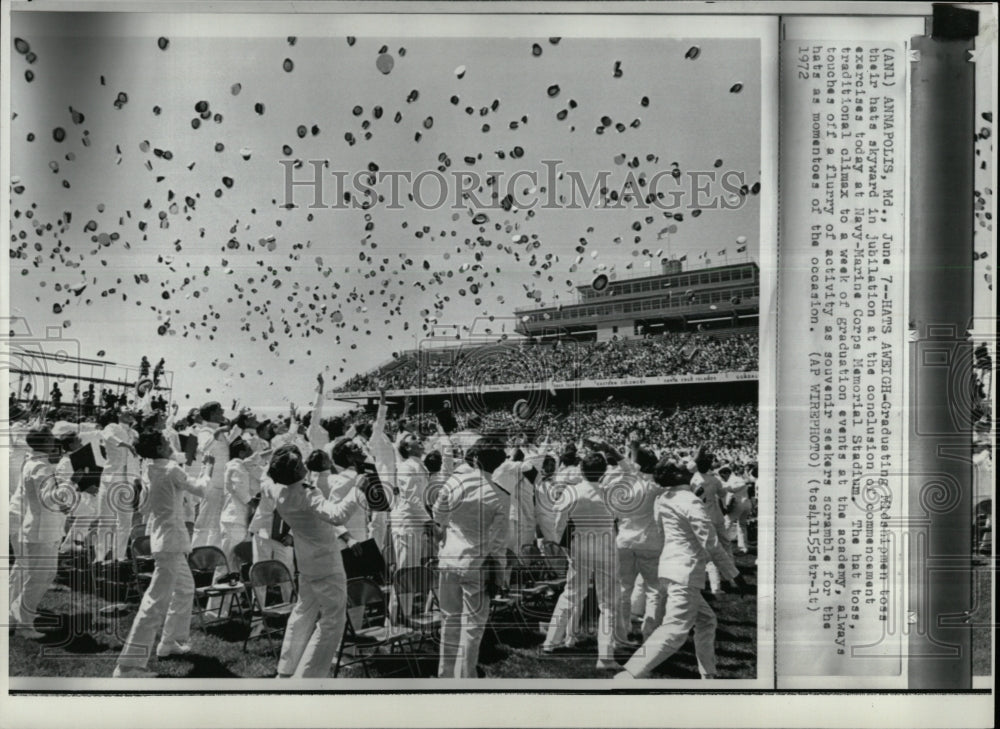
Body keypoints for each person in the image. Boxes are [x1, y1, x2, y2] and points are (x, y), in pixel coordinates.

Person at [615, 460, 742, 680]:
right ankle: (629, 674)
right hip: (685, 571)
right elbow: (710, 542)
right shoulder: (690, 501)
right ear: (677, 477)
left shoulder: (664, 498)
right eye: (680, 467)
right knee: (675, 629)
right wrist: (733, 574)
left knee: (706, 620)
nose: (686, 467)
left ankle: (709, 673)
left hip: (669, 568)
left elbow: (666, 531)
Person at [113, 431, 213, 677]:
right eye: (166, 442)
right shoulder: (169, 469)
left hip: (167, 542)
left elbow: (146, 505)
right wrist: (208, 468)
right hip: (170, 543)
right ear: (159, 448)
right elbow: (201, 490)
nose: (170, 444)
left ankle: (169, 642)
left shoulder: (151, 468)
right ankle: (128, 666)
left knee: (186, 588)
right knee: (153, 605)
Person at [269, 444, 361, 678]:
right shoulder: (307, 493)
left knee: (303, 612)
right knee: (332, 621)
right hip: (326, 565)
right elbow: (337, 515)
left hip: (307, 563)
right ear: (295, 472)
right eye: (299, 464)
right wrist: (357, 490)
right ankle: (308, 676)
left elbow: (271, 475)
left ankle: (287, 669)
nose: (304, 464)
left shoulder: (280, 492)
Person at [432, 436, 510, 678]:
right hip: (475, 563)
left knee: (450, 622)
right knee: (473, 627)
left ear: (475, 459)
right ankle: (464, 679)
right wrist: (500, 575)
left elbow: (438, 516)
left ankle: (447, 676)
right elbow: (498, 543)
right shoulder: (501, 496)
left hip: (448, 559)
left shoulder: (455, 482)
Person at [541, 451, 619, 671]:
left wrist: (561, 542)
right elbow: (617, 517)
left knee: (572, 593)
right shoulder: (610, 492)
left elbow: (558, 519)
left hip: (581, 545)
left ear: (582, 470)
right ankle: (605, 655)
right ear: (602, 472)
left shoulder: (573, 491)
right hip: (604, 545)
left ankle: (551, 641)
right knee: (607, 601)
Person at [10, 425, 73, 639]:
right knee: (39, 577)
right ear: (45, 442)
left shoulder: (36, 464)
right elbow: (50, 498)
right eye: (50, 439)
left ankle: (18, 614)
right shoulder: (41, 468)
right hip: (41, 530)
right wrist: (70, 484)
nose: (54, 442)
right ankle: (23, 623)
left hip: (41, 528)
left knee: (42, 576)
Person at [609, 444, 664, 644]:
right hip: (648, 542)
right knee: (654, 589)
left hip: (624, 539)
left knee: (624, 589)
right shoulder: (655, 486)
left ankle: (620, 636)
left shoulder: (621, 483)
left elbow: (628, 467)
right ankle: (649, 634)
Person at [95, 409, 140, 562]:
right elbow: (108, 437)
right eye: (125, 411)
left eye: (131, 411)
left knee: (125, 521)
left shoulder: (134, 433)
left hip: (128, 481)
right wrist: (127, 445)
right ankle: (100, 557)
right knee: (105, 520)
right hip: (111, 479)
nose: (129, 412)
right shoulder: (112, 427)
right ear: (118, 414)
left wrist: (138, 480)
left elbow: (136, 460)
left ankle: (119, 556)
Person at [220, 438, 267, 576]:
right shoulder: (236, 466)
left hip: (239, 520)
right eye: (248, 448)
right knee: (227, 564)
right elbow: (239, 490)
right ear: (241, 453)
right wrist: (254, 503)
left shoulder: (242, 466)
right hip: (234, 520)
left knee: (235, 564)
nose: (251, 450)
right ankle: (217, 597)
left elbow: (254, 462)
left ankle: (234, 597)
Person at [190, 401, 231, 551]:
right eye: (220, 410)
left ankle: (210, 556)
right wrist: (218, 432)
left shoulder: (222, 432)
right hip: (211, 481)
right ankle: (195, 554)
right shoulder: (204, 431)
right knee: (204, 520)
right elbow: (204, 447)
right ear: (212, 414)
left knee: (217, 523)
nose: (223, 412)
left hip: (223, 482)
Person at [689, 447, 729, 594]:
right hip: (715, 515)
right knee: (724, 546)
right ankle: (726, 579)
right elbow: (723, 493)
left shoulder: (692, 479)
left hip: (700, 516)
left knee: (705, 550)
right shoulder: (714, 479)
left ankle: (715, 584)